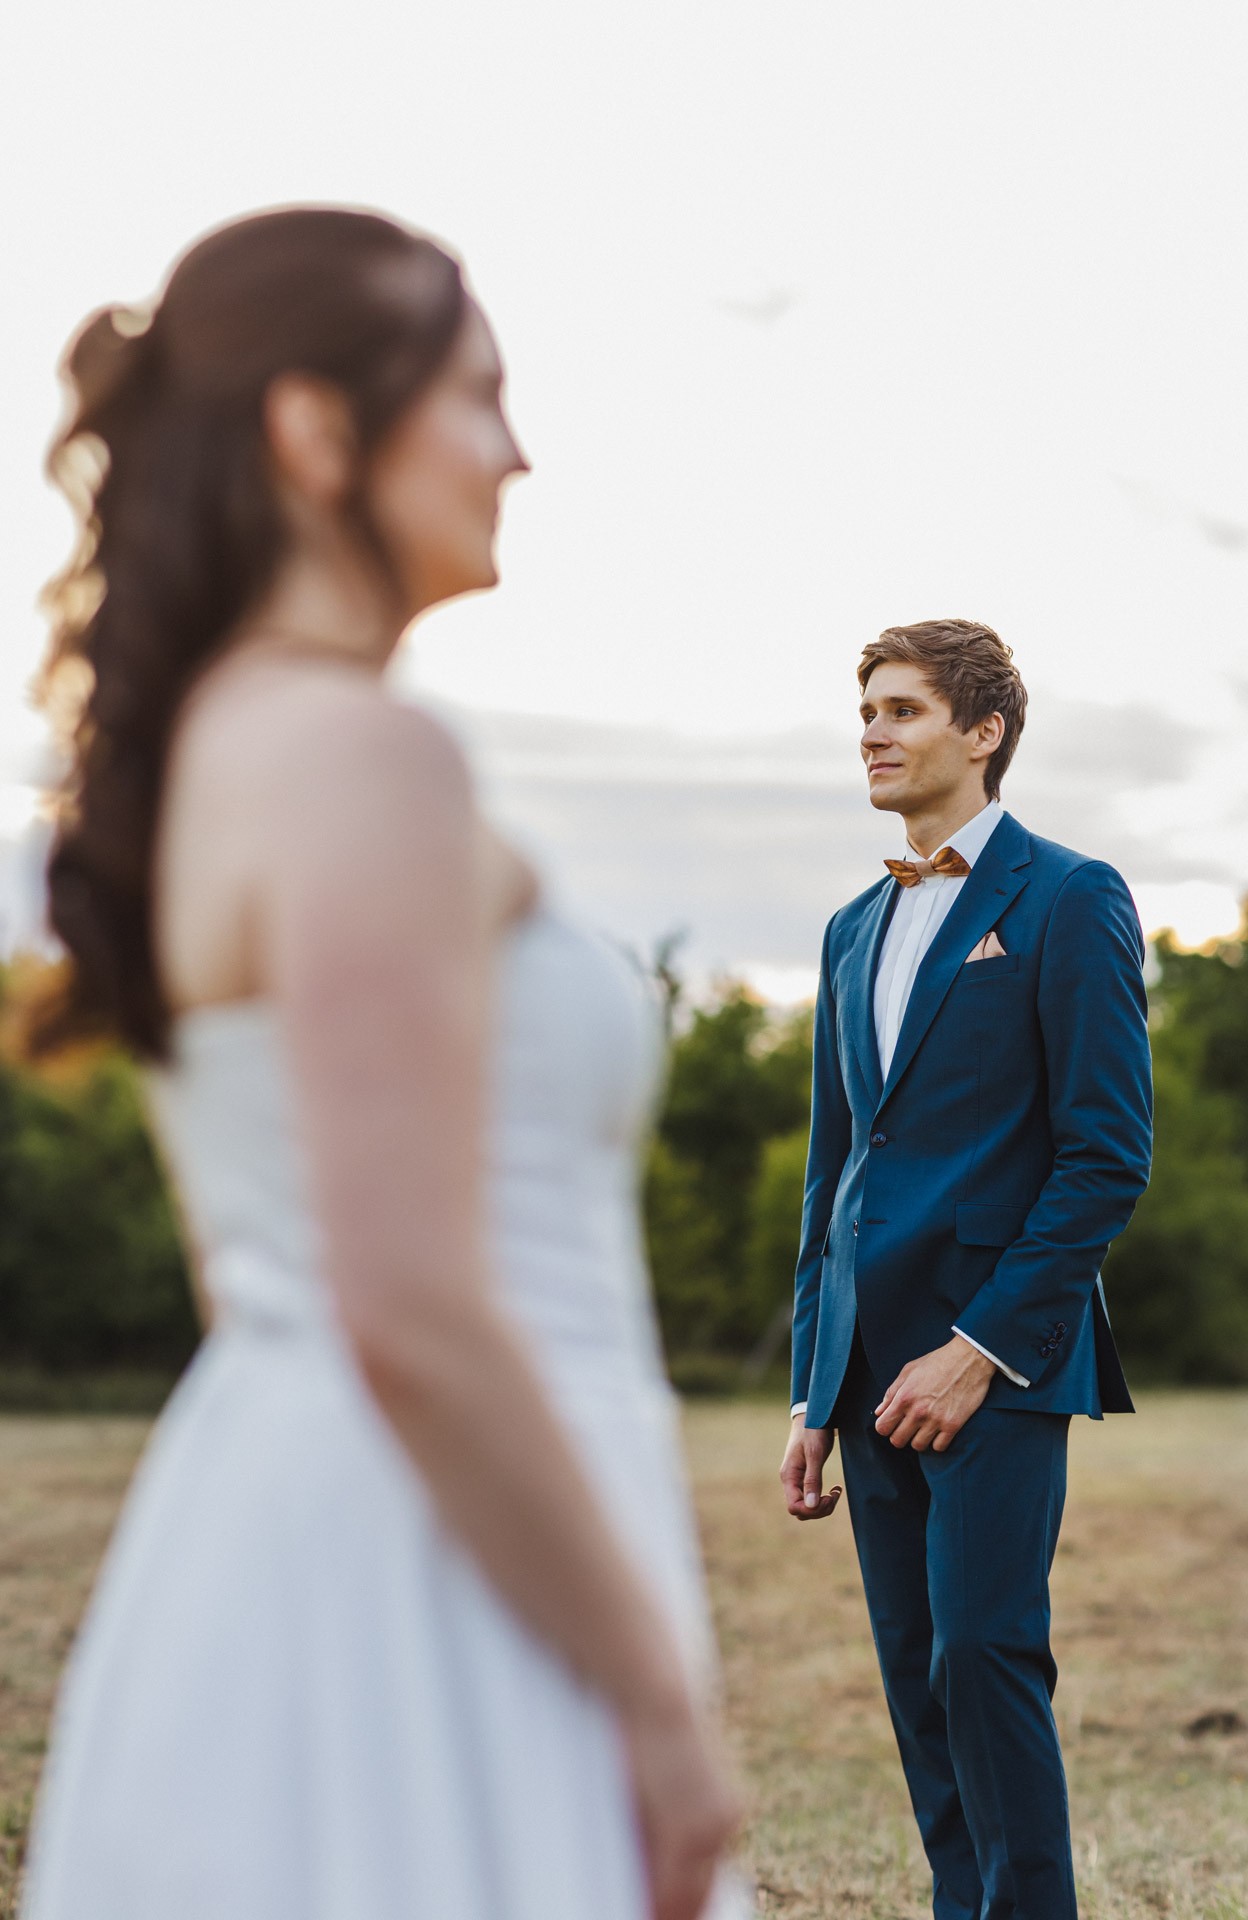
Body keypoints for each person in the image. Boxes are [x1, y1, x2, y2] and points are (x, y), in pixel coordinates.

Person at [22, 206, 743, 1920]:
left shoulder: (225, 749)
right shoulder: (364, 760)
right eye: (479, 396)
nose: (518, 451)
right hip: (425, 1578)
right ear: (313, 426)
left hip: (301, 1530)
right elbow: (409, 1307)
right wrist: (655, 1699)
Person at [779, 619, 1153, 1920]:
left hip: (996, 1358)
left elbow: (1107, 1155)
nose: (872, 732)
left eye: (902, 710)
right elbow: (836, 1176)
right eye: (865, 711)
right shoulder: (846, 928)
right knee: (917, 1677)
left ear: (983, 731)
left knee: (986, 1658)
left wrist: (980, 1346)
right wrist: (810, 1388)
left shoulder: (1068, 895)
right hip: (868, 1365)